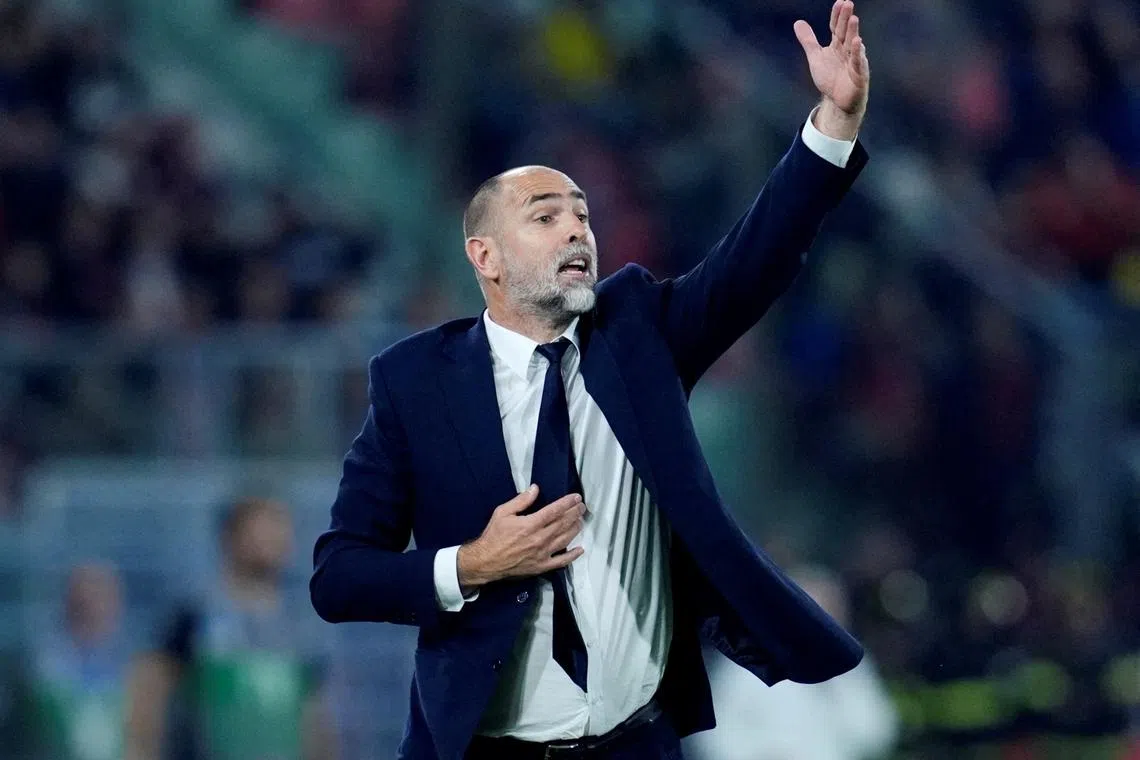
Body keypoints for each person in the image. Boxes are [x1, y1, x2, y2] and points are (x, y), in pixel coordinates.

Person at [310, 3, 871, 758]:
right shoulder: (415, 383)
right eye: (546, 217)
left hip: (636, 744)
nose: (578, 228)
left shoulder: (639, 333)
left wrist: (831, 126)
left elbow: (756, 260)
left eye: (582, 214)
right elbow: (339, 577)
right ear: (486, 258)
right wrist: (472, 564)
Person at [124, 497, 336, 760]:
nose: (273, 538)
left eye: (280, 526)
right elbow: (149, 695)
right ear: (231, 536)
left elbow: (313, 716)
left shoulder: (300, 626)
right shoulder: (195, 614)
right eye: (262, 527)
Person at [684, 565, 899, 760]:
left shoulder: (852, 667)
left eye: (829, 611)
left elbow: (877, 733)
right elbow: (713, 732)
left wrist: (837, 687)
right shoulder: (745, 660)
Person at [26, 562, 130, 760]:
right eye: (85, 603)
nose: (97, 609)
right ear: (70, 605)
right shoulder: (48, 665)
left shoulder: (132, 663)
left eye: (105, 600)